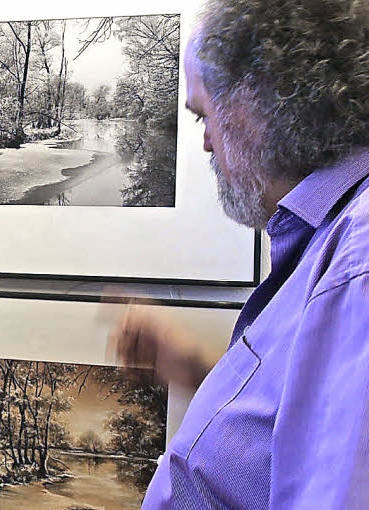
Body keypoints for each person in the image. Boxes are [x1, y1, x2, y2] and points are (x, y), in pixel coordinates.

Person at [109, 0, 369, 508]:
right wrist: (196, 370)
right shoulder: (330, 243)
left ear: (260, 95)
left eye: (204, 113)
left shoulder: (357, 266)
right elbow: (295, 433)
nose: (206, 142)